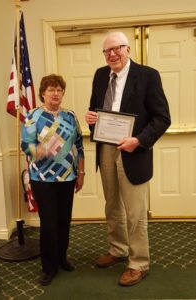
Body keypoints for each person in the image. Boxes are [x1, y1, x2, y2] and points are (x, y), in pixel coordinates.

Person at [85, 32, 171, 286]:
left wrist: (138, 141)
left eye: (117, 49)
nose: (112, 54)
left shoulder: (148, 75)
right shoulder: (101, 75)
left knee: (135, 212)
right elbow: (95, 109)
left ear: (128, 49)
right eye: (107, 51)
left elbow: (162, 118)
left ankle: (139, 263)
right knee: (112, 205)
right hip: (106, 149)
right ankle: (118, 249)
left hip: (133, 151)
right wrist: (92, 120)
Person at [21, 74, 85, 286]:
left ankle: (61, 258)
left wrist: (81, 173)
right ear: (42, 93)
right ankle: (48, 268)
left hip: (67, 177)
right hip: (42, 179)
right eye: (51, 90)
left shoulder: (70, 116)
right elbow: (25, 146)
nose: (56, 93)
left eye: (59, 90)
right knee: (49, 223)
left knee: (64, 220)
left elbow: (79, 145)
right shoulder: (33, 116)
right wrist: (39, 150)